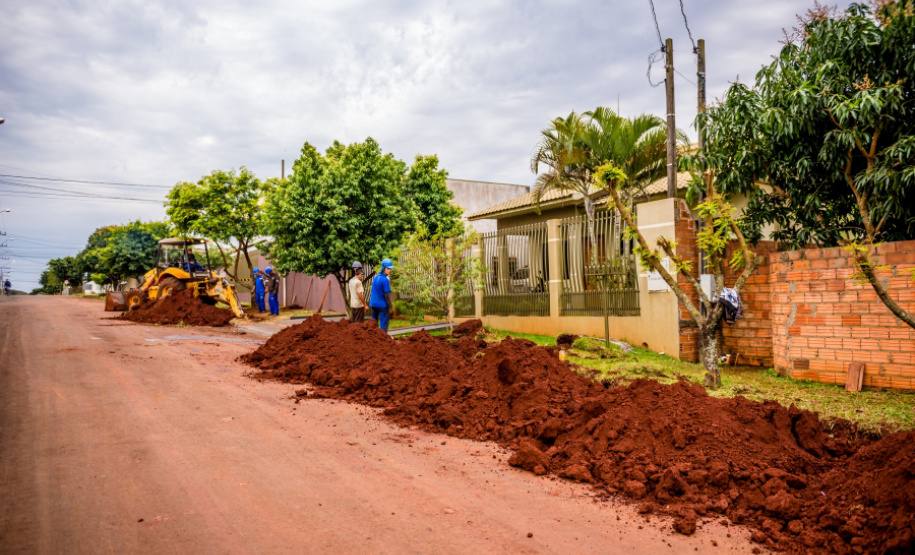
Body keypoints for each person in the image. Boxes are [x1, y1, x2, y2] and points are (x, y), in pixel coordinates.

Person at [369, 258, 394, 332]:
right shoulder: (385, 280)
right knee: (383, 323)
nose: (389, 270)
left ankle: (372, 337)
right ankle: (383, 337)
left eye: (390, 269)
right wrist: (390, 307)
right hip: (382, 305)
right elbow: (387, 295)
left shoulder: (376, 278)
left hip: (373, 304)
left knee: (373, 323)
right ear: (383, 268)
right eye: (388, 268)